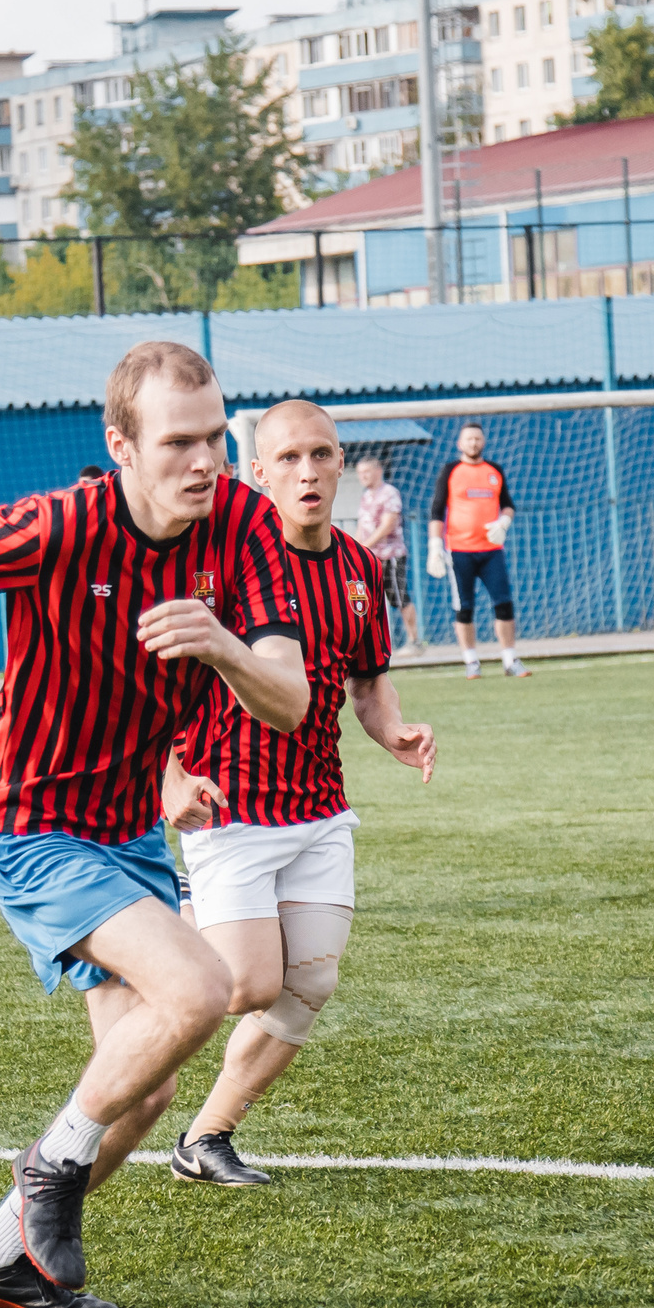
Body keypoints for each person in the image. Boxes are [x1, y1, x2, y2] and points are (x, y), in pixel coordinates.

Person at [0, 339, 308, 1308]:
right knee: (198, 987)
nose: (205, 461)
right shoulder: (62, 523)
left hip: (129, 830)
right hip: (28, 818)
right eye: (179, 442)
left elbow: (289, 698)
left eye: (216, 438)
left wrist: (223, 645)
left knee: (143, 1090)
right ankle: (49, 1175)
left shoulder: (243, 525)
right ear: (122, 446)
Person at [161, 402, 435, 1186]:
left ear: (342, 462)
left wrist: (394, 731)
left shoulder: (358, 567)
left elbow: (366, 680)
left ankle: (206, 1137)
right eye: (287, 458)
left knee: (309, 982)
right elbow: (146, 685)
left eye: (320, 454)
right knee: (247, 983)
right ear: (258, 472)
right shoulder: (214, 564)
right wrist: (168, 775)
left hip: (319, 806)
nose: (307, 471)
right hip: (229, 802)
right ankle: (171, 909)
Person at [428, 422, 524, 678]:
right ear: (460, 443)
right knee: (464, 608)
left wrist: (504, 522)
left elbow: (508, 505)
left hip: (492, 550)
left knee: (504, 604)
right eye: (468, 439)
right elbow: (437, 511)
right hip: (459, 551)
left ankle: (510, 659)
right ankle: (471, 661)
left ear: (483, 442)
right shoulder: (450, 471)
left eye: (477, 439)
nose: (473, 443)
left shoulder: (495, 470)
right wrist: (435, 546)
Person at [352, 454, 424, 656]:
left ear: (378, 471)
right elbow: (362, 526)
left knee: (399, 597)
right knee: (366, 600)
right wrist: (355, 549)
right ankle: (369, 644)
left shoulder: (389, 493)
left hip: (389, 556)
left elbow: (388, 524)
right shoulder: (366, 496)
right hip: (368, 557)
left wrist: (365, 545)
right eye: (360, 473)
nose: (363, 476)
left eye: (366, 472)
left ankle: (414, 641)